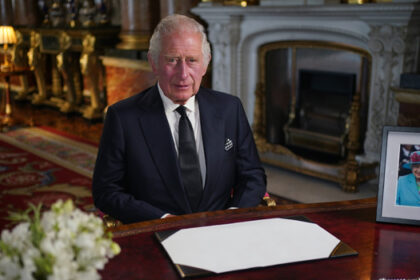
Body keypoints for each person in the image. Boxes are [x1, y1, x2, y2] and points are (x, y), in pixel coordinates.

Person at [92, 14, 267, 224]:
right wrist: (162, 219)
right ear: (153, 63)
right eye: (172, 60)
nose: (183, 74)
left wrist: (233, 215)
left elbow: (252, 175)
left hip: (222, 231)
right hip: (156, 233)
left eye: (192, 60)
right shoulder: (123, 117)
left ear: (206, 63)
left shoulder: (230, 108)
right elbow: (106, 191)